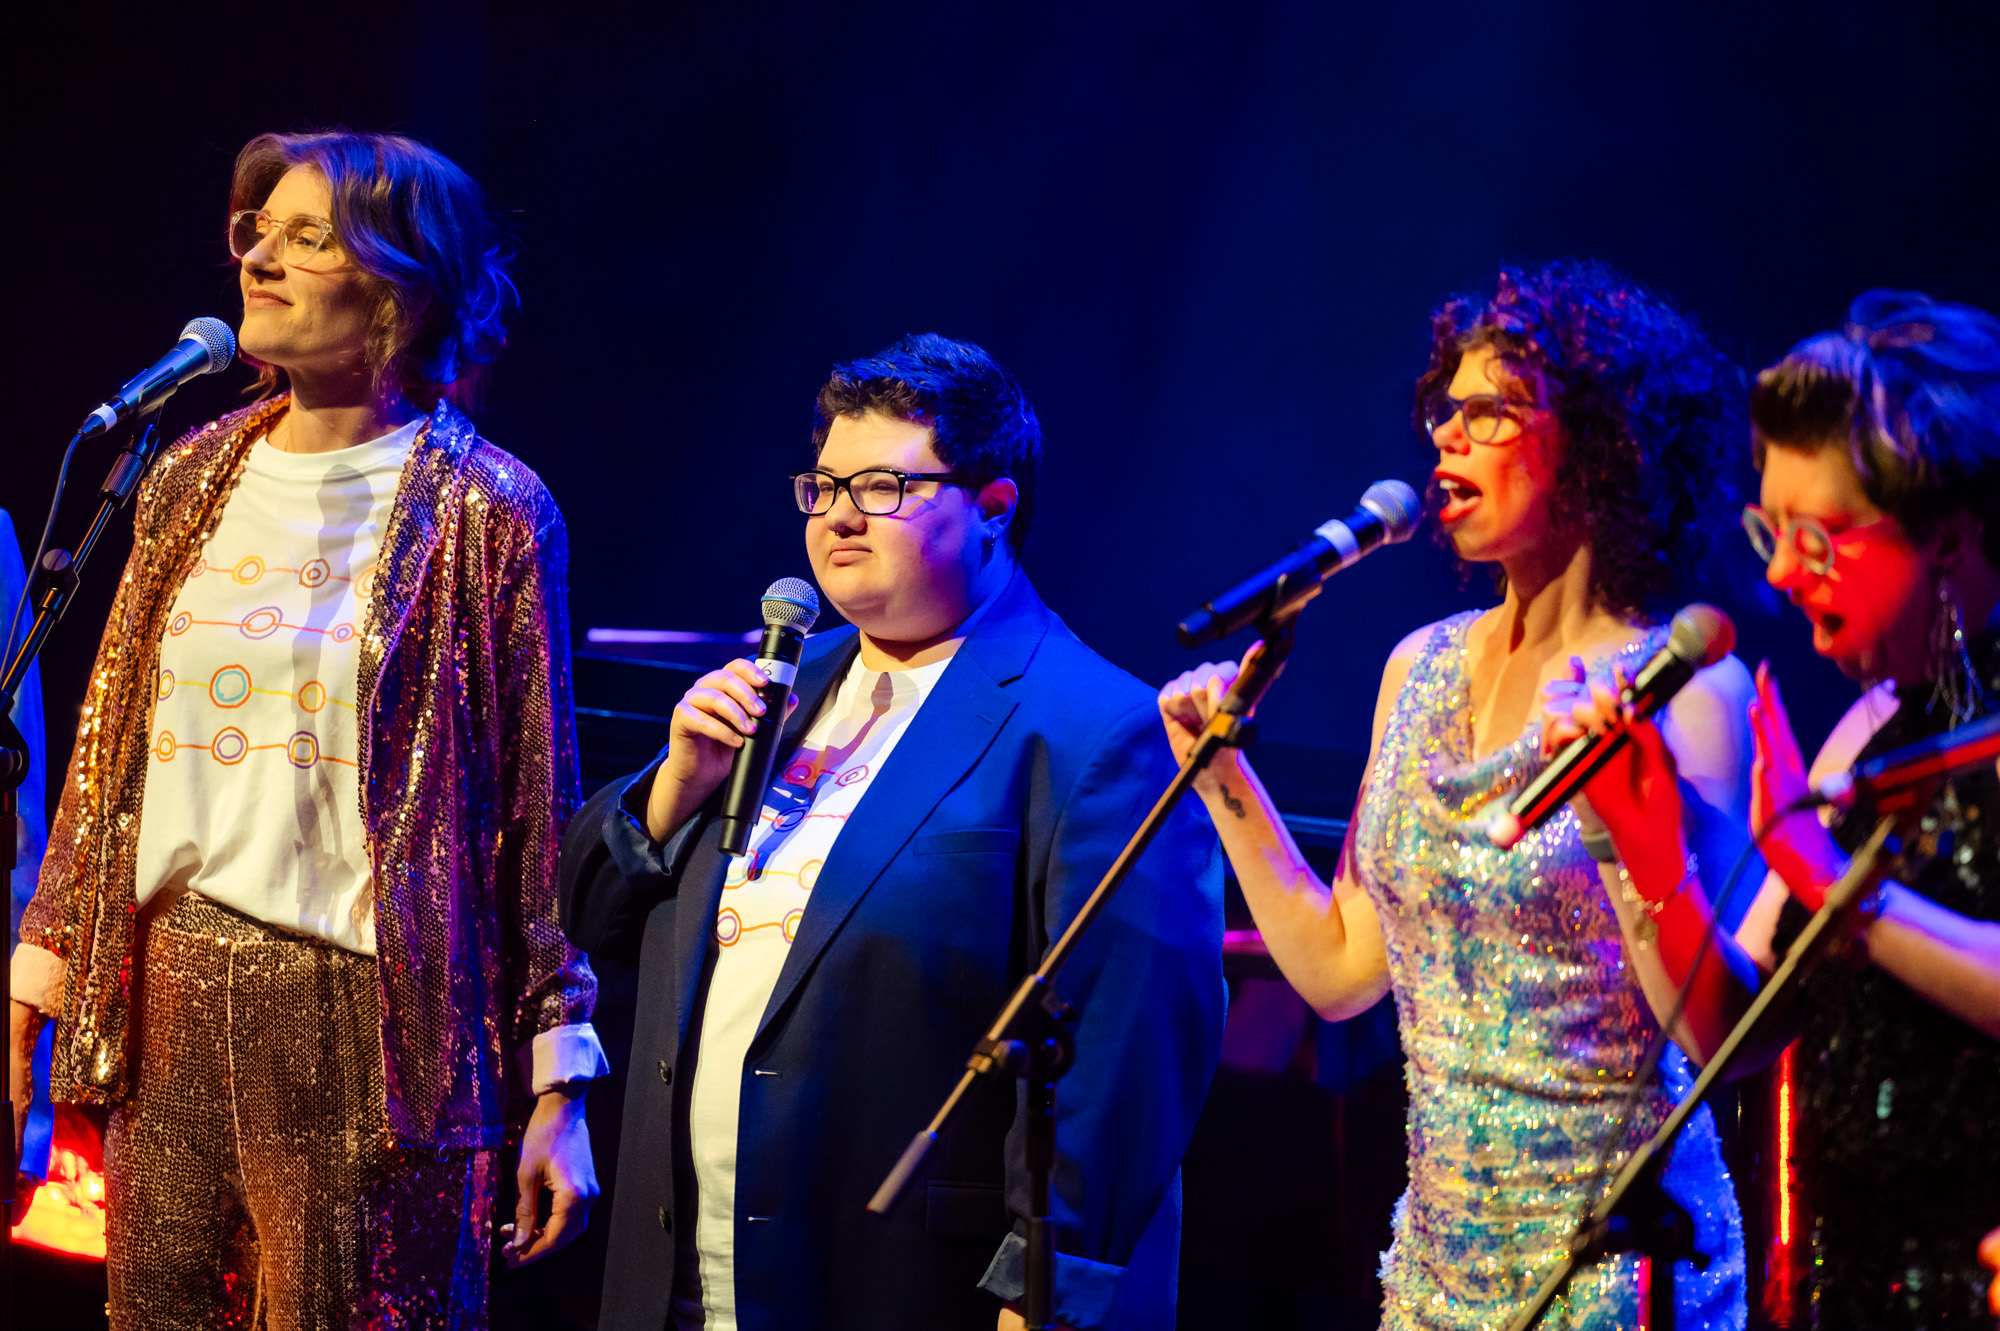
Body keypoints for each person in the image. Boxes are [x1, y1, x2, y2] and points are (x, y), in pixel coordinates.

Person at [8, 129, 604, 1328]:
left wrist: (560, 1077)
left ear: (401, 286)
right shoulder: (186, 474)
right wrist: (32, 989)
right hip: (163, 995)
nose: (260, 259)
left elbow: (536, 808)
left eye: (307, 237)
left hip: (364, 1020)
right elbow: (106, 753)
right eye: (256, 231)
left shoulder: (488, 508)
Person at [558, 332, 1225, 1331]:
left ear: (992, 507)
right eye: (823, 487)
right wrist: (671, 790)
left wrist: (1043, 1295)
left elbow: (1126, 1060)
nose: (837, 515)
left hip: (891, 1285)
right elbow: (586, 914)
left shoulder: (1097, 730)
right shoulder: (781, 681)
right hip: (678, 1277)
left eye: (881, 487)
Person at [1159, 259, 1751, 1330]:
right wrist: (1221, 773)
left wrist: (1631, 820)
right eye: (1445, 408)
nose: (1446, 436)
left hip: (1619, 1274)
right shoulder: (1418, 668)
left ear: (1599, 442)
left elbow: (1711, 1025)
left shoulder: (1686, 689)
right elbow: (1340, 970)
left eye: (1490, 412)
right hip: (1434, 1276)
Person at [1557, 291, 2000, 1327]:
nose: (1783, 572)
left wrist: (1839, 891)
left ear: (1947, 534)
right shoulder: (1869, 730)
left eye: (1822, 536)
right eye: (1772, 529)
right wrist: (1644, 844)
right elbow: (1732, 1030)